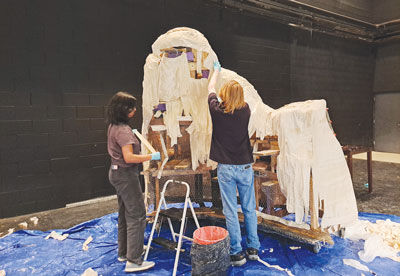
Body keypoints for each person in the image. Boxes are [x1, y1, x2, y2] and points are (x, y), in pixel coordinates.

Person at [207, 62, 260, 266]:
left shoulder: (216, 110)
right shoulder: (245, 110)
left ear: (224, 95)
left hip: (226, 168)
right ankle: (253, 249)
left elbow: (211, 89)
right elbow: (238, 98)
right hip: (245, 167)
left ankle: (236, 253)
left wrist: (216, 72)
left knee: (230, 210)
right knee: (249, 208)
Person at [106, 91, 160, 273]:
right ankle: (134, 260)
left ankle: (125, 252)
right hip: (125, 176)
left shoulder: (114, 126)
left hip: (116, 173)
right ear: (123, 110)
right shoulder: (123, 131)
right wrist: (151, 156)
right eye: (131, 108)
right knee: (137, 215)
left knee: (124, 214)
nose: (135, 110)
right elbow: (129, 158)